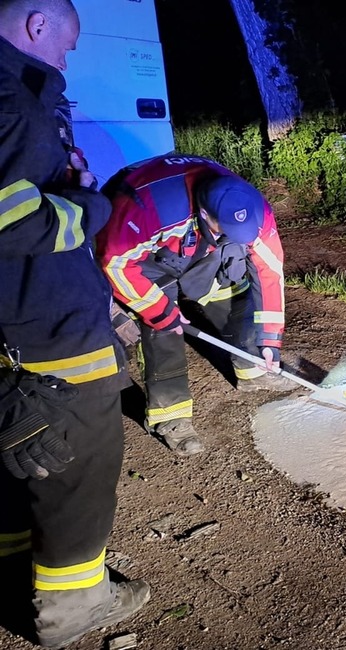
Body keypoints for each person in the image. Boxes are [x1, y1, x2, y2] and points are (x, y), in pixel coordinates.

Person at [0, 0, 151, 647]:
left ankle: (13, 567)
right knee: (81, 473)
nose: (67, 59)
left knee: (24, 459)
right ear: (37, 25)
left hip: (16, 331)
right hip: (53, 330)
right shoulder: (14, 104)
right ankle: (72, 607)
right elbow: (14, 218)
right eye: (66, 44)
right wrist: (85, 207)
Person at [96, 153, 292, 457]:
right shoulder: (147, 209)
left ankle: (252, 369)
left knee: (236, 289)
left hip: (199, 245)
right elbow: (116, 264)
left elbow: (270, 270)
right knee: (164, 329)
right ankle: (170, 418)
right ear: (204, 213)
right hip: (145, 258)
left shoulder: (252, 208)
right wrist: (161, 312)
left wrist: (269, 338)